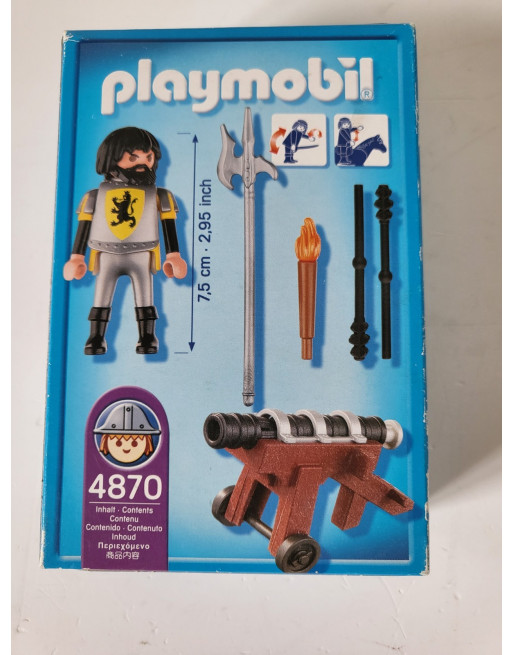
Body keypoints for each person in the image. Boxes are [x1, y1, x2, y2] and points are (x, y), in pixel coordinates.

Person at [63, 127, 187, 355]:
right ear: (111, 158)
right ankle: (96, 336)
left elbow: (169, 226)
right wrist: (77, 257)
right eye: (133, 157)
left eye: (148, 157)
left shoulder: (160, 195)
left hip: (142, 254)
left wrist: (174, 255)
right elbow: (84, 227)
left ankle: (147, 336)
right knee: (101, 296)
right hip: (106, 254)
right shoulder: (94, 196)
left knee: (145, 295)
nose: (143, 163)